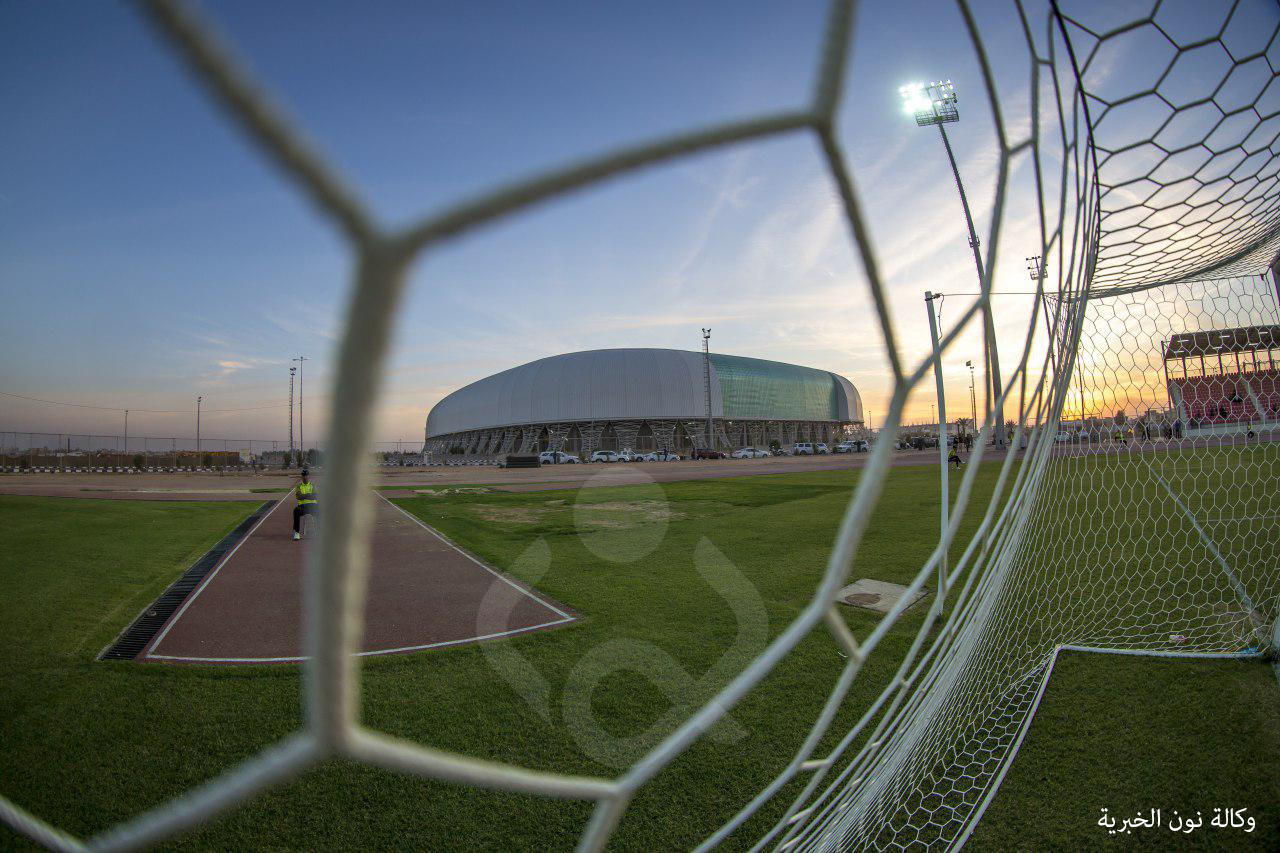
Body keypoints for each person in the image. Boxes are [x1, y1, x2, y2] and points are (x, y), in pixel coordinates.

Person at [292, 468, 318, 540]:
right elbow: (298, 497)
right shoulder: (299, 486)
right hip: (303, 507)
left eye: (306, 475)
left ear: (309, 476)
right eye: (303, 475)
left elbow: (315, 496)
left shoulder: (313, 485)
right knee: (296, 511)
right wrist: (309, 495)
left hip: (313, 506)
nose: (305, 477)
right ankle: (297, 533)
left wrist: (304, 496)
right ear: (301, 476)